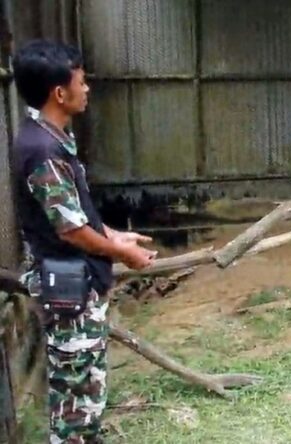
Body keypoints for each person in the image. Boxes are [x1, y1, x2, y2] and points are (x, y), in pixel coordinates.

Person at [11, 40, 157, 443]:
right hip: (68, 288)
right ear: (60, 92)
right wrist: (122, 252)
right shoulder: (43, 151)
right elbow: (70, 231)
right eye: (82, 81)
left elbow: (76, 215)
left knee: (86, 389)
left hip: (78, 283)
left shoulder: (51, 139)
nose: (88, 88)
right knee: (75, 396)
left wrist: (114, 234)